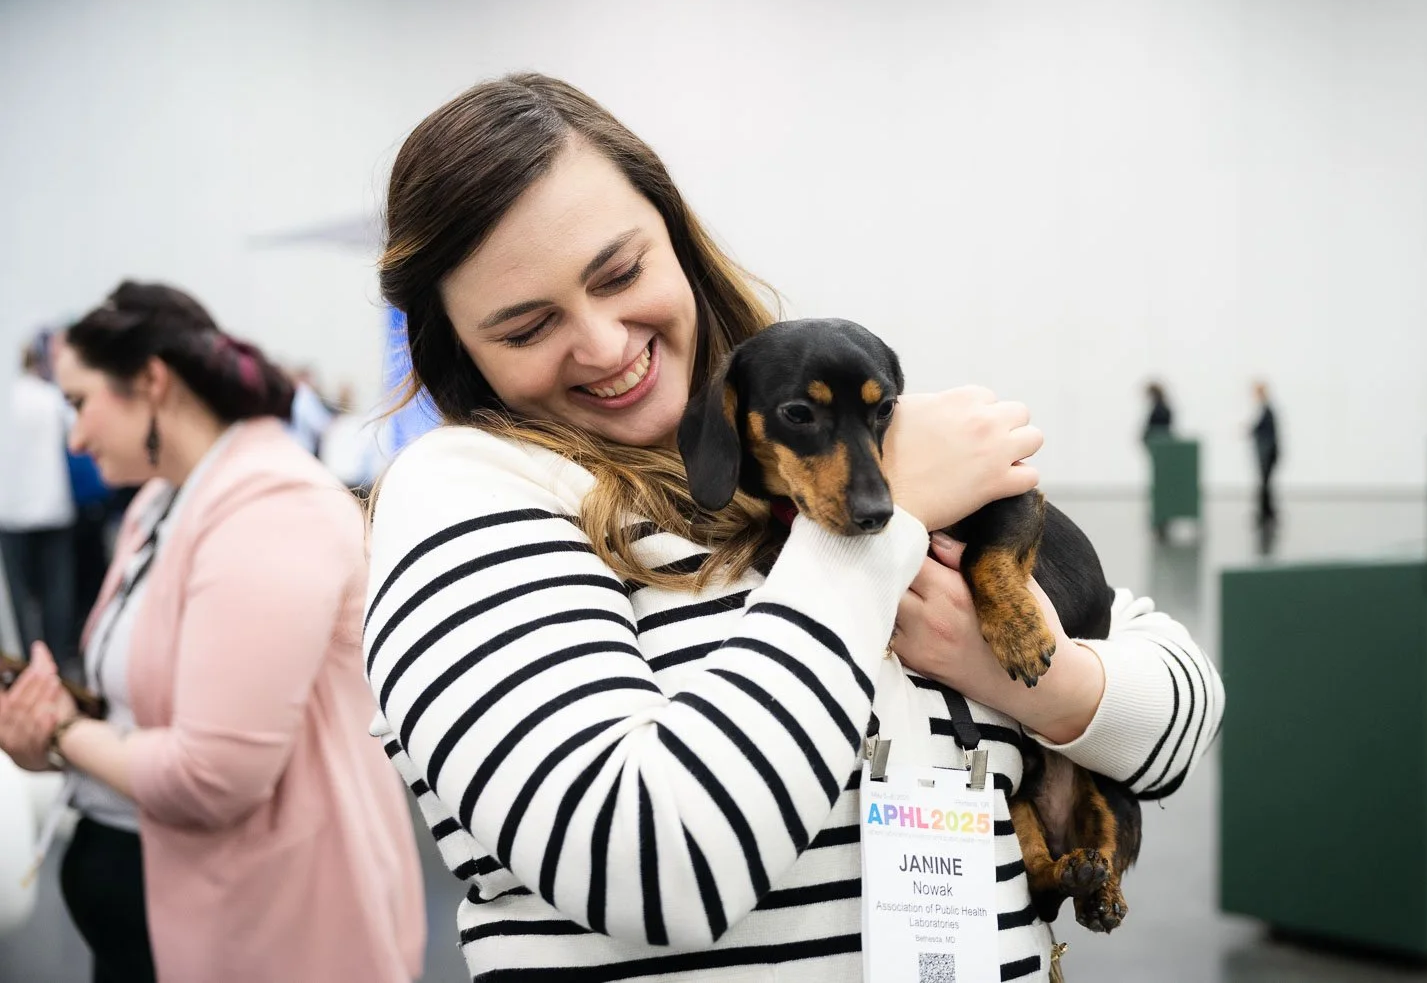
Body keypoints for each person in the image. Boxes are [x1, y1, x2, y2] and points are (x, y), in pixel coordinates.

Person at [366, 73, 1224, 981]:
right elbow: (659, 867)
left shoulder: (806, 443)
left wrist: (1022, 677)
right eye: (529, 325)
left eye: (620, 273)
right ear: (455, 347)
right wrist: (875, 527)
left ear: (675, 238)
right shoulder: (462, 494)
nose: (607, 346)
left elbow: (1185, 706)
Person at [0, 283, 425, 983]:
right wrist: (57, 724)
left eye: (79, 403)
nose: (73, 436)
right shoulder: (161, 502)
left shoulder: (273, 511)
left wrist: (59, 733)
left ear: (152, 382)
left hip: (269, 932)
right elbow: (149, 707)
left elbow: (211, 775)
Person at [0, 342, 77, 669]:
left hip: (11, 512)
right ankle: (57, 660)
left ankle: (25, 661)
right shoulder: (52, 399)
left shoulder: (8, 401)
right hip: (52, 509)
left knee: (18, 594)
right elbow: (75, 436)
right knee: (56, 591)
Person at [1250, 381, 1279, 526]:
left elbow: (1267, 433)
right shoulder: (1265, 409)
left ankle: (1267, 514)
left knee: (1265, 484)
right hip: (1265, 452)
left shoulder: (1267, 410)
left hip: (1267, 453)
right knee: (1265, 484)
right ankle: (1267, 513)